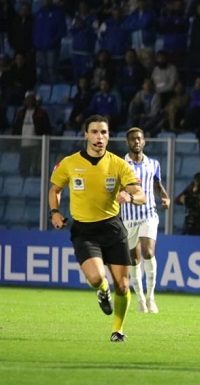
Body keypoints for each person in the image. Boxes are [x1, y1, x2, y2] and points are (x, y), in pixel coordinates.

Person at [48, 115, 146, 342]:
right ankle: (102, 290)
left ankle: (118, 331)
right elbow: (55, 189)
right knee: (95, 277)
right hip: (84, 230)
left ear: (109, 136)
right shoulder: (70, 163)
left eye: (104, 132)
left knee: (122, 286)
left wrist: (130, 197)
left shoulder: (119, 164)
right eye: (94, 132)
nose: (99, 137)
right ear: (86, 134)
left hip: (112, 228)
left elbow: (140, 194)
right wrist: (54, 212)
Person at [120, 127, 170, 313]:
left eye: (139, 139)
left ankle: (151, 298)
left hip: (149, 214)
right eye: (133, 139)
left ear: (144, 141)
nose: (137, 142)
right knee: (134, 260)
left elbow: (157, 184)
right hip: (128, 218)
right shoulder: (120, 164)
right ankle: (140, 299)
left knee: (148, 252)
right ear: (128, 142)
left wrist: (165, 197)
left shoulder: (153, 164)